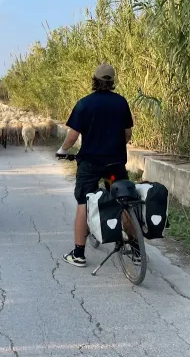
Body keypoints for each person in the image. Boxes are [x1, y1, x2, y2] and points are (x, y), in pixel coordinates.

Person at [57, 64, 133, 267]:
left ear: (94, 80)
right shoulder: (121, 103)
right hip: (115, 164)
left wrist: (63, 150)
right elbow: (127, 135)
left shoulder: (85, 104)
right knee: (123, 200)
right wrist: (113, 146)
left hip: (90, 164)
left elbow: (73, 136)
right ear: (112, 81)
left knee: (84, 201)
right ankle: (135, 249)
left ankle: (79, 254)